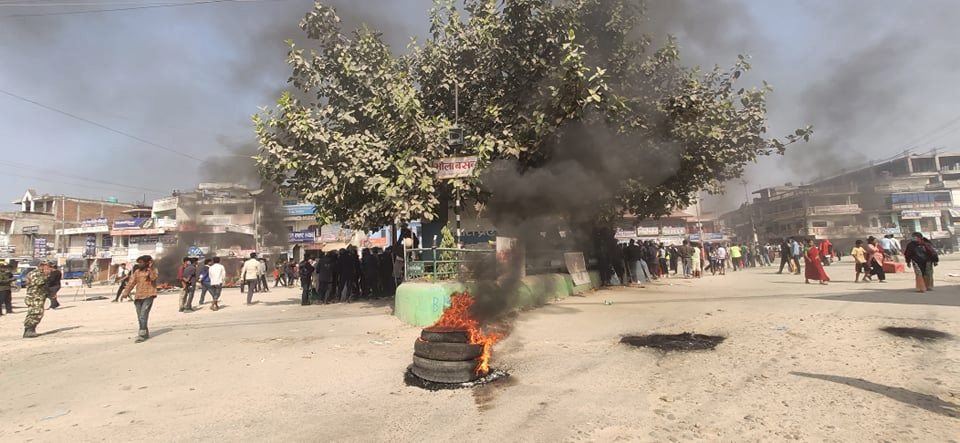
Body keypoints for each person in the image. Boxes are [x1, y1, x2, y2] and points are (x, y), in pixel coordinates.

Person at [121, 256, 159, 342]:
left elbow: (153, 278)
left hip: (149, 295)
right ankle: (145, 332)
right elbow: (131, 283)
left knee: (143, 315)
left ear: (147, 263)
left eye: (141, 262)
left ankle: (142, 335)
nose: (139, 264)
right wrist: (125, 293)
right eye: (139, 262)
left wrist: (150, 268)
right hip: (138, 297)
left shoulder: (153, 271)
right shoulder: (137, 272)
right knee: (140, 317)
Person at [23, 260, 52, 338]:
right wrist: (46, 275)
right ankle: (29, 330)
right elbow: (38, 282)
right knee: (35, 313)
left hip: (39, 296)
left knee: (36, 313)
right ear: (42, 266)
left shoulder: (41, 274)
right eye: (48, 266)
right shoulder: (34, 273)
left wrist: (49, 294)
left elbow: (44, 286)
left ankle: (30, 330)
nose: (49, 268)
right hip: (34, 296)